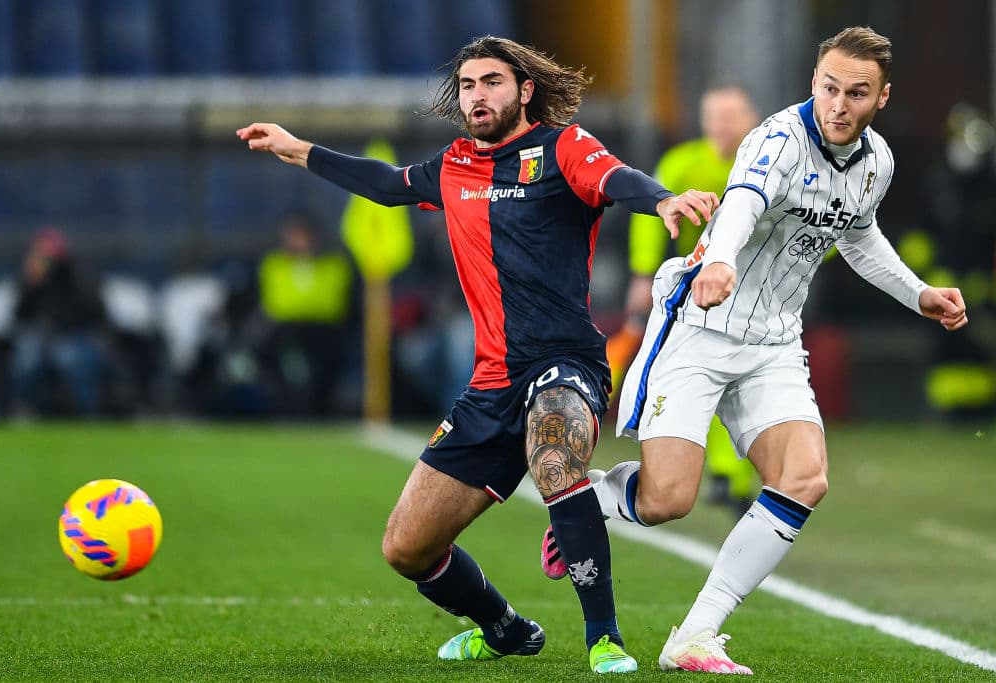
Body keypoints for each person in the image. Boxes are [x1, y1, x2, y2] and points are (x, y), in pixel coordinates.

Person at [237, 35, 718, 674]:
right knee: (406, 548)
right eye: (467, 85)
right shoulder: (455, 163)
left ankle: (605, 638)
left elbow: (613, 178)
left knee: (555, 457)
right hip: (492, 381)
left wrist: (660, 198)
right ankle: (503, 628)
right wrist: (297, 149)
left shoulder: (561, 146)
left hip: (566, 361)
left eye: (491, 82)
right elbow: (386, 185)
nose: (476, 95)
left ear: (524, 91)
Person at [540, 26, 968, 675]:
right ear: (814, 83)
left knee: (805, 477)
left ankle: (697, 632)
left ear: (882, 98)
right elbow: (742, 203)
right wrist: (715, 260)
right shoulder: (778, 138)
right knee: (667, 501)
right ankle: (592, 498)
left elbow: (857, 236)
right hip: (700, 325)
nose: (838, 104)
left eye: (856, 93)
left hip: (772, 342)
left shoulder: (877, 161)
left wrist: (917, 294)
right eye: (829, 87)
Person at [611, 85, 761, 518]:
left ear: (750, 118)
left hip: (756, 294)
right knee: (709, 376)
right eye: (714, 115)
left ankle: (729, 474)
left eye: (731, 115)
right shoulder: (682, 163)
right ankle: (718, 471)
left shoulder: (768, 163)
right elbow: (651, 219)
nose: (722, 124)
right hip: (698, 294)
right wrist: (642, 274)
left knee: (741, 381)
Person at [257, 211, 360, 416]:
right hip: (287, 329)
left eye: (304, 236)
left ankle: (321, 406)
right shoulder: (273, 264)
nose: (300, 241)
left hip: (323, 328)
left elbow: (335, 300)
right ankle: (285, 406)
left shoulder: (334, 264)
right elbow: (275, 302)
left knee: (332, 356)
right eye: (295, 235)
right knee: (271, 351)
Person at [8, 226, 112, 416]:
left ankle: (86, 412)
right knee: (27, 361)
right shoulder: (34, 280)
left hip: (77, 336)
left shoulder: (79, 276)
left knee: (71, 360)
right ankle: (24, 410)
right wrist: (30, 284)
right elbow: (18, 316)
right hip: (42, 337)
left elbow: (97, 312)